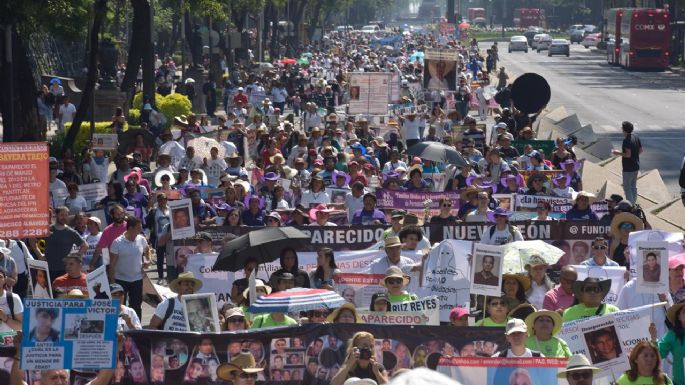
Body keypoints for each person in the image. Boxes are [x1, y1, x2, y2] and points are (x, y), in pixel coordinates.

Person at [109, 217, 150, 318]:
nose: (141, 229)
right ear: (130, 228)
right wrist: (112, 283)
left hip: (137, 279)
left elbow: (147, 249)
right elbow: (112, 265)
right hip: (120, 279)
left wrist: (147, 260)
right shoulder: (117, 243)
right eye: (139, 227)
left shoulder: (141, 239)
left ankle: (137, 330)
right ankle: (120, 328)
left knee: (136, 306)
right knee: (120, 307)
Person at [44, 206, 87, 278]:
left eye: (66, 215)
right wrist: (39, 254)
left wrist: (76, 258)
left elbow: (85, 245)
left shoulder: (71, 232)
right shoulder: (47, 229)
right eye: (62, 215)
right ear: (56, 215)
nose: (64, 217)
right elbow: (32, 240)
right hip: (48, 268)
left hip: (65, 270)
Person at [612, 121, 642, 204]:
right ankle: (634, 203)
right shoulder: (635, 136)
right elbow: (640, 150)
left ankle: (630, 205)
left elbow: (628, 155)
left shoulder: (626, 140)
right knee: (633, 186)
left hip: (628, 168)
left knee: (627, 187)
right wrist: (634, 156)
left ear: (624, 130)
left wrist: (617, 153)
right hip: (636, 166)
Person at [0, 267, 23, 332]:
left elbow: (21, 326)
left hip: (10, 341)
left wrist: (5, 317)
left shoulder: (13, 298)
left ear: (4, 280)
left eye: (0, 277)